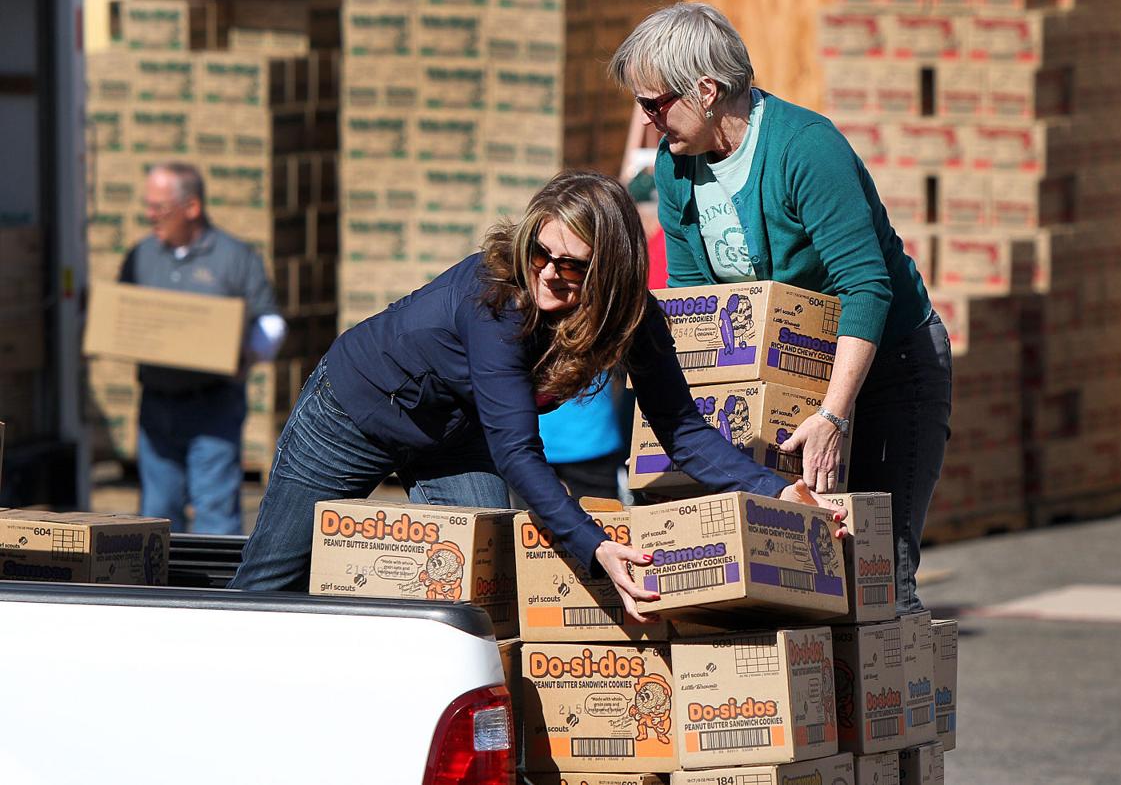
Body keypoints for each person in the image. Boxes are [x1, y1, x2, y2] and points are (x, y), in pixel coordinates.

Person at [228, 171, 836, 620]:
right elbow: (518, 450)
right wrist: (598, 546)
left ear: (611, 273)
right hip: (356, 408)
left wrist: (777, 491)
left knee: (482, 596)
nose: (548, 272)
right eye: (540, 253)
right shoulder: (497, 300)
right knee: (269, 585)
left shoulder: (633, 317)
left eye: (572, 265)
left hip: (457, 436)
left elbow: (681, 431)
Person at [609, 3, 952, 613]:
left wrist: (834, 416)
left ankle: (901, 700)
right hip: (792, 373)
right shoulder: (675, 165)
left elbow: (866, 286)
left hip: (887, 363)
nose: (646, 120)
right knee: (792, 581)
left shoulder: (806, 148)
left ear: (707, 91)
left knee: (877, 577)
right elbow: (698, 305)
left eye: (654, 104)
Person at [119, 162, 286, 534]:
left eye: (159, 207)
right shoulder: (140, 256)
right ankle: (157, 592)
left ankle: (214, 593)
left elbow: (271, 323)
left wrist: (247, 354)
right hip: (157, 405)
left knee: (215, 511)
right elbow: (118, 314)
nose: (150, 217)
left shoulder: (235, 258)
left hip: (214, 405)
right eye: (147, 206)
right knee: (157, 513)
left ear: (191, 208)